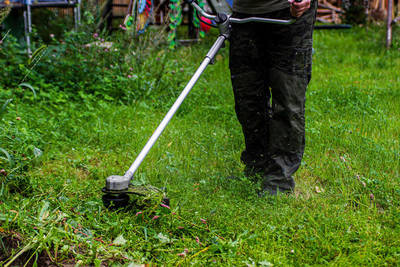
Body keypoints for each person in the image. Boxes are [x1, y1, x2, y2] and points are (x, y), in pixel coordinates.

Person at [229, 0, 317, 195]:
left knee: (287, 98)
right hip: (245, 13)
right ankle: (257, 166)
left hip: (289, 13)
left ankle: (279, 180)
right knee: (247, 98)